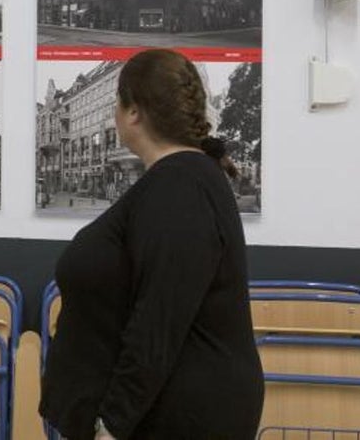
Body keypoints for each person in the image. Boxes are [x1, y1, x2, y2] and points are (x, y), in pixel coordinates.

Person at [39, 49, 264, 440]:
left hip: (169, 419)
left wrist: (111, 425)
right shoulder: (180, 180)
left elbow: (160, 319)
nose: (114, 112)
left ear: (133, 112)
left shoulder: (181, 185)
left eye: (116, 103)